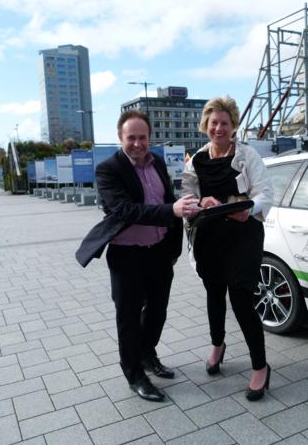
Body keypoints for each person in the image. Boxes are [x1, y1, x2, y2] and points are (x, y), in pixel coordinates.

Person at [76, 110, 200, 402]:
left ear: (149, 138)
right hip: (127, 256)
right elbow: (124, 210)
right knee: (129, 318)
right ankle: (134, 374)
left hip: (158, 253)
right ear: (120, 138)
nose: (137, 143)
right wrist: (171, 211)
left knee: (157, 312)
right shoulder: (108, 170)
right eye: (131, 137)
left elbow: (167, 200)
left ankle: (147, 355)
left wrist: (174, 242)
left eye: (142, 137)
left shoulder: (156, 161)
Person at [182, 96, 274, 401]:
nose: (219, 128)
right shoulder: (196, 160)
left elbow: (266, 194)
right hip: (211, 237)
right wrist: (199, 202)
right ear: (205, 126)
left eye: (224, 123)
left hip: (243, 233)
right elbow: (187, 197)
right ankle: (217, 344)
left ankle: (260, 366)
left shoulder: (247, 156)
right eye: (213, 123)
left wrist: (247, 208)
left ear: (233, 125)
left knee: (241, 297)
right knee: (213, 293)